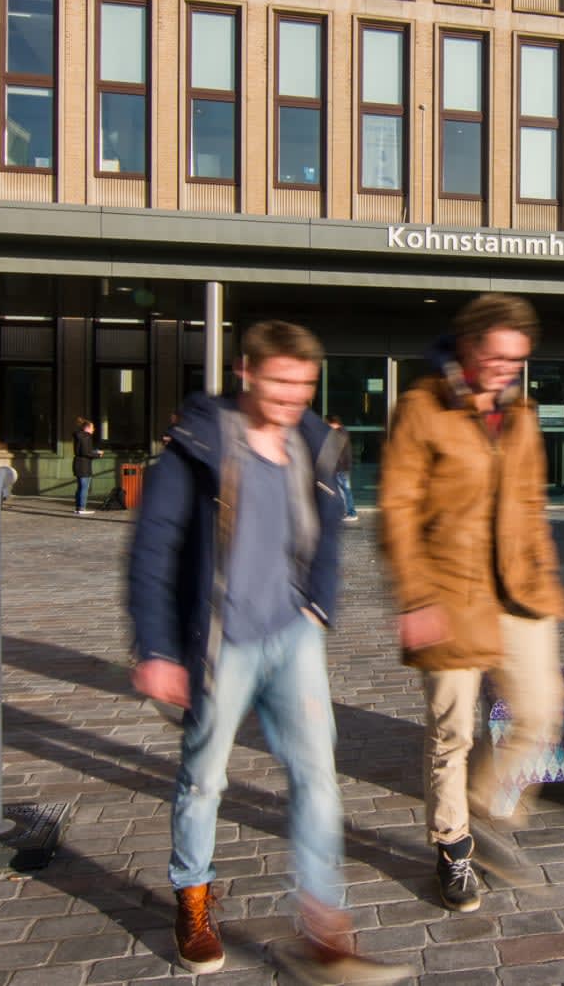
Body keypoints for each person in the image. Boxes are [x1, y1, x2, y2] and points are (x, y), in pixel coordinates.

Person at [127, 321, 408, 984]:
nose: (292, 397)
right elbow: (152, 545)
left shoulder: (312, 441)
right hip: (221, 642)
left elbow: (331, 532)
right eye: (280, 382)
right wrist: (159, 646)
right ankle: (193, 898)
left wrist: (318, 605)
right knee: (205, 777)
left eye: (304, 385)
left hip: (292, 634)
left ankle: (322, 927)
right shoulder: (196, 446)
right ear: (247, 373)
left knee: (316, 774)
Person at [378, 293, 564, 913]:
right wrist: (415, 598)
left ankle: (485, 812)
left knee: (541, 714)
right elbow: (398, 511)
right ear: (466, 347)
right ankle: (454, 846)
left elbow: (532, 504)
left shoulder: (522, 414)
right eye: (495, 356)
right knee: (452, 733)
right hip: (447, 592)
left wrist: (543, 570)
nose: (505, 369)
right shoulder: (421, 407)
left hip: (518, 591)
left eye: (516, 359)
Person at [324, 415, 358, 520]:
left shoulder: (339, 433)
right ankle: (348, 512)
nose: (325, 424)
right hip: (343, 466)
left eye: (326, 422)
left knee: (345, 490)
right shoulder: (342, 431)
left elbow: (336, 452)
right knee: (344, 489)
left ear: (332, 422)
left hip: (341, 467)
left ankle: (350, 513)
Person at [72, 417, 103, 516]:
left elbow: (83, 451)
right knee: (84, 487)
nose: (93, 430)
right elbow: (86, 452)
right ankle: (81, 508)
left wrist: (94, 452)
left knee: (80, 487)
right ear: (87, 428)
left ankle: (78, 507)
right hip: (84, 465)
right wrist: (98, 454)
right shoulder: (86, 437)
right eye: (92, 428)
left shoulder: (79, 436)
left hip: (78, 463)